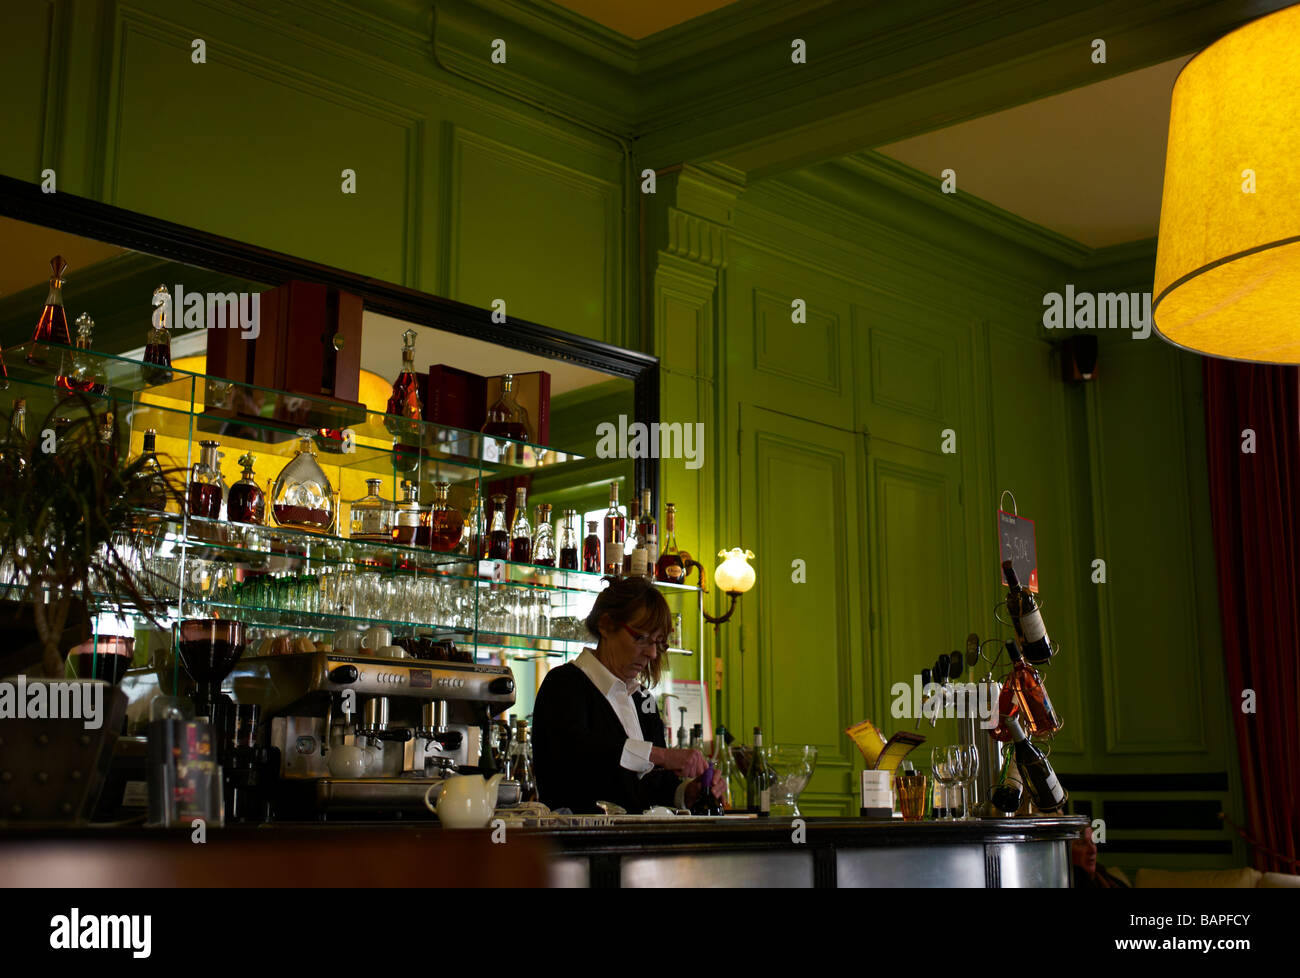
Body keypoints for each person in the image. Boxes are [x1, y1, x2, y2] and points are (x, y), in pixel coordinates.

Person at [532, 577, 725, 814]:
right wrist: (661, 755)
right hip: (575, 844)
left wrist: (688, 792)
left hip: (636, 846)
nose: (652, 653)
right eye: (641, 638)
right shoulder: (564, 684)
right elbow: (578, 753)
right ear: (605, 625)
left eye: (657, 642)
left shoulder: (642, 699)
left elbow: (651, 787)